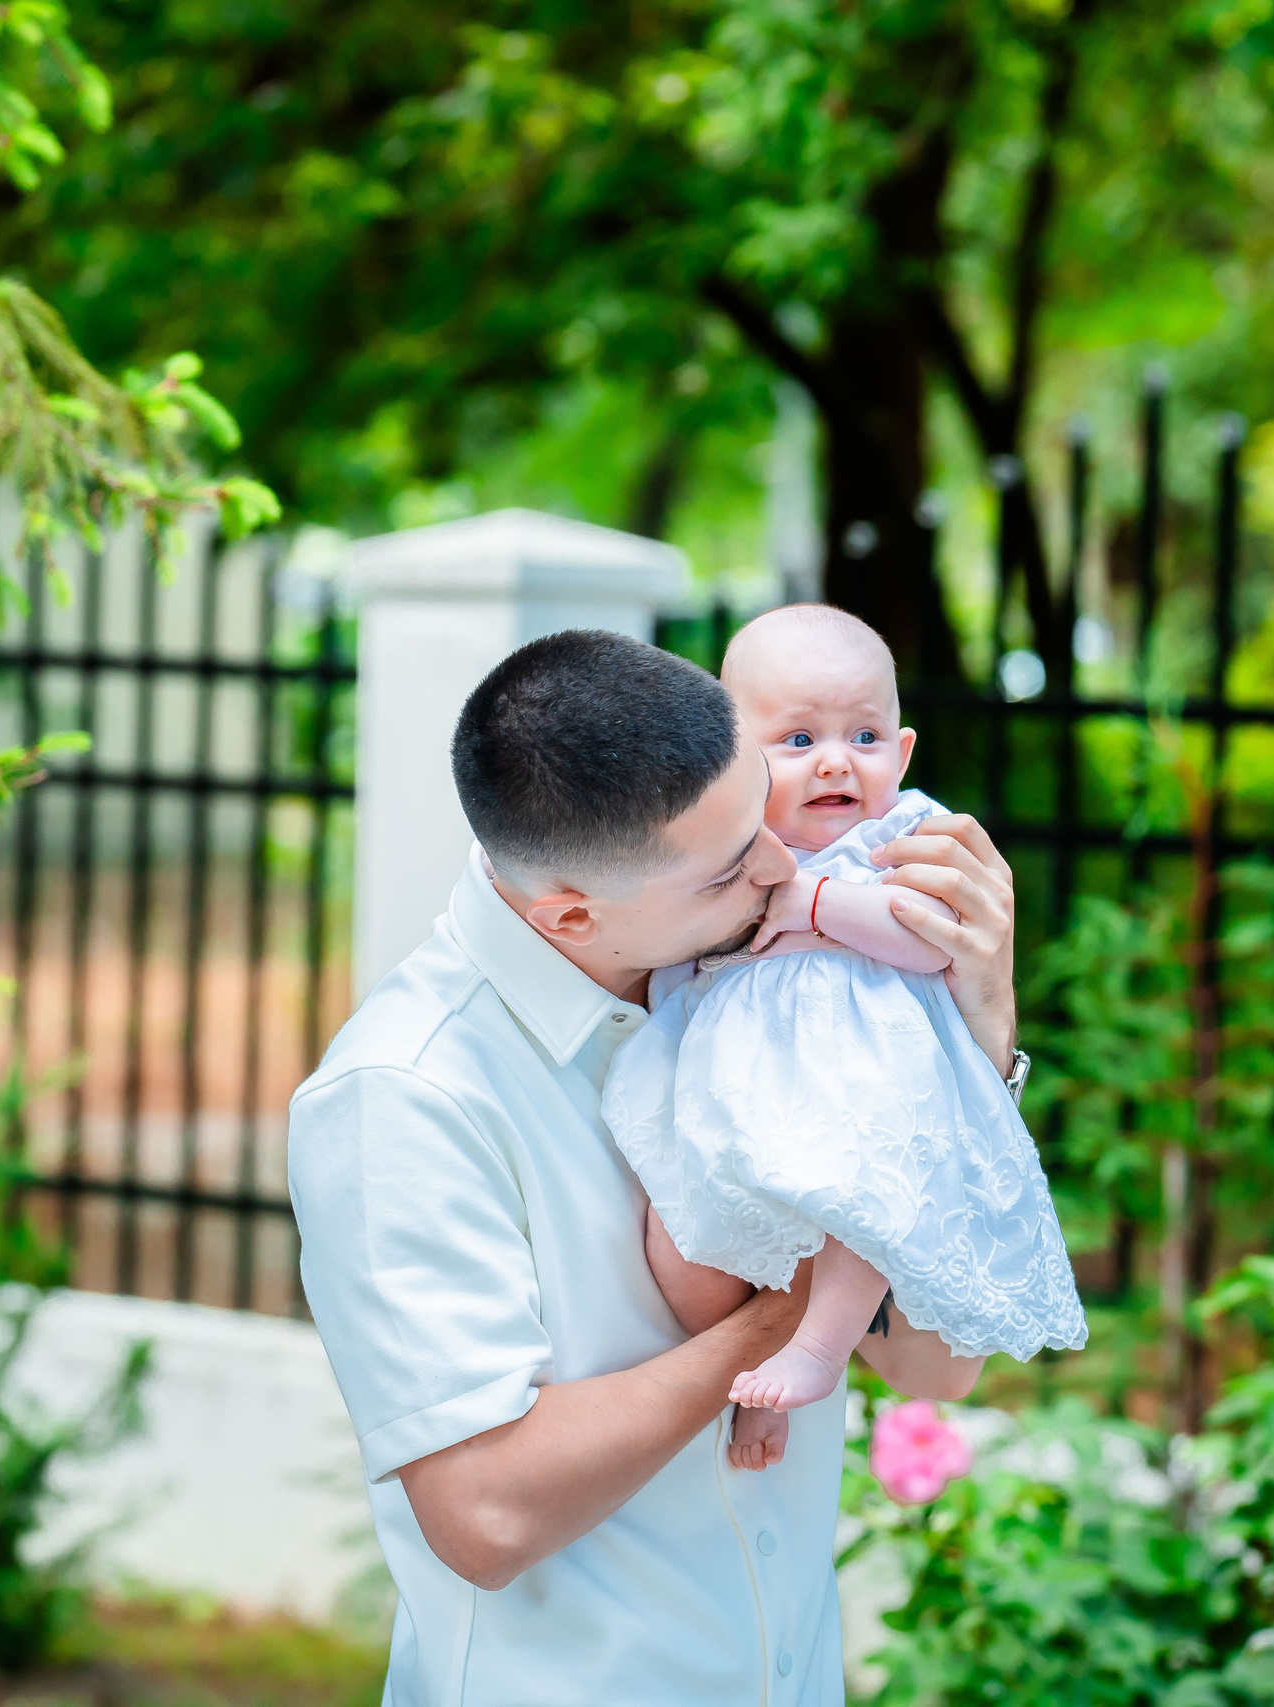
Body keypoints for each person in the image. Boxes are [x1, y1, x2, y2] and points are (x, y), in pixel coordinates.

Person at [288, 628, 1028, 1706]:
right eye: (731, 866)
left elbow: (937, 1367)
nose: (781, 867)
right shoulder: (405, 1094)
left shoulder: (782, 984)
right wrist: (788, 1315)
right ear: (571, 914)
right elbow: (485, 1513)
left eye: (759, 814)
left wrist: (981, 1036)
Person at [606, 604, 1085, 1474]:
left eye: (863, 736)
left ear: (901, 754)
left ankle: (820, 1351)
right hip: (740, 1094)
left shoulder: (900, 839)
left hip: (865, 1084)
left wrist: (818, 904)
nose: (835, 760)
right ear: (733, 759)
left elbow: (931, 941)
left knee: (868, 1210)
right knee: (678, 1239)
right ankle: (745, 1383)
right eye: (799, 740)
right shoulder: (726, 852)